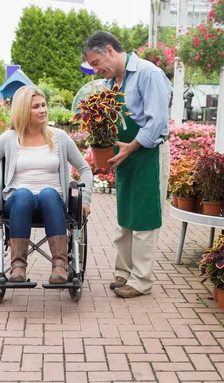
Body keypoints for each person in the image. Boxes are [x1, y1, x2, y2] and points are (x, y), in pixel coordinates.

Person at [0, 86, 92, 284]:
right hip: (18, 205)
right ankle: (18, 266)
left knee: (48, 193)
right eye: (35, 107)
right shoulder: (9, 138)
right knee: (24, 194)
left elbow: (85, 169)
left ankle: (60, 266)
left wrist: (85, 199)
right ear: (23, 111)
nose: (42, 110)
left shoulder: (59, 137)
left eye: (43, 105)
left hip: (52, 205)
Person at [82, 31, 171, 298]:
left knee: (144, 217)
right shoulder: (112, 83)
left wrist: (132, 146)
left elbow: (156, 123)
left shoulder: (148, 74)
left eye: (96, 63)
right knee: (126, 217)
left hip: (148, 154)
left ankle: (141, 280)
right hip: (125, 155)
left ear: (109, 50)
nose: (96, 70)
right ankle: (124, 272)